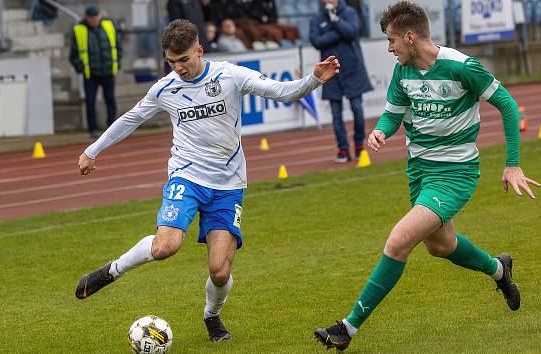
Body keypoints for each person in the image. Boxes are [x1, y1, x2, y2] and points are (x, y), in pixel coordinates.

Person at [74, 19, 339, 343]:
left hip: (228, 184)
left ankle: (211, 315)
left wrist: (313, 79)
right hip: (186, 175)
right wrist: (92, 151)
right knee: (165, 246)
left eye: (184, 59)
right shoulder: (165, 89)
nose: (179, 68)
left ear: (199, 50)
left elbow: (280, 92)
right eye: (172, 62)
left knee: (219, 270)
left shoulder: (229, 75)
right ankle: (112, 270)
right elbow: (131, 119)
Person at [314, 2, 540, 350]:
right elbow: (393, 115)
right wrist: (379, 132)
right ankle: (499, 269)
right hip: (419, 171)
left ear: (410, 37)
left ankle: (347, 328)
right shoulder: (403, 72)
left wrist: (512, 163)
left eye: (391, 41)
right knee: (441, 246)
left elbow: (507, 104)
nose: (389, 48)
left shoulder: (460, 66)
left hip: (455, 173)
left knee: (398, 241)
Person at [310, 0, 372, 163]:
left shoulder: (349, 13)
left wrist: (335, 21)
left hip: (353, 69)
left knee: (357, 108)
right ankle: (343, 148)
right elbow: (316, 41)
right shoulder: (316, 19)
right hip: (330, 72)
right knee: (336, 114)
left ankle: (359, 144)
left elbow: (352, 32)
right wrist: (338, 33)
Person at [70, 6, 122, 138]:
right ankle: (93, 129)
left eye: (96, 16)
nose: (94, 19)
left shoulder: (108, 26)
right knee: (90, 101)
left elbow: (117, 46)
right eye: (91, 17)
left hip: (108, 71)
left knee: (110, 99)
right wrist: (80, 68)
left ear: (99, 16)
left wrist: (117, 63)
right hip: (91, 74)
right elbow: (74, 55)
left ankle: (112, 126)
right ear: (87, 18)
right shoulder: (79, 30)